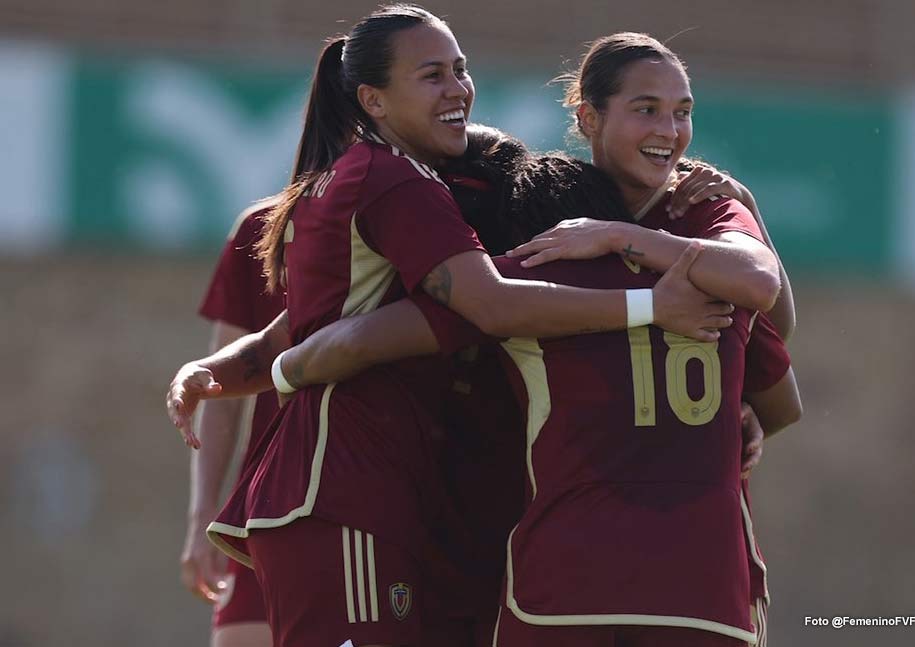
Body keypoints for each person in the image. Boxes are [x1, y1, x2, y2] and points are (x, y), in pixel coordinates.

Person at [167, 7, 749, 647]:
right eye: (432, 75)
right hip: (345, 491)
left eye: (460, 70)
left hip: (380, 502)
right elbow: (480, 306)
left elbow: (310, 324)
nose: (458, 90)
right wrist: (652, 305)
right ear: (373, 100)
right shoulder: (395, 181)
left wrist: (214, 373)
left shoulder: (397, 179)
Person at [181, 199, 282, 647]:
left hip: (368, 507)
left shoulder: (408, 210)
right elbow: (220, 393)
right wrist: (204, 515)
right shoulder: (260, 229)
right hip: (267, 510)